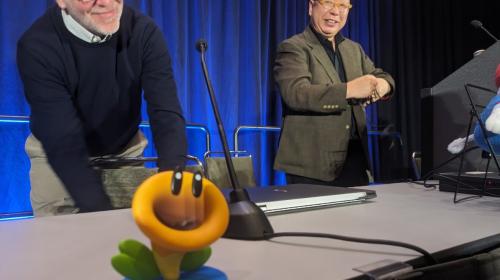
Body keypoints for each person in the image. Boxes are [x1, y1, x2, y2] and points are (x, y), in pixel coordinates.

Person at [17, 0, 187, 216]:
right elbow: (64, 142)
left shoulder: (144, 31)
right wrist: (102, 221)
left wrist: (172, 188)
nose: (106, 3)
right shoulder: (37, 45)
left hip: (124, 149)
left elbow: (166, 113)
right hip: (58, 155)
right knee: (61, 243)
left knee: (133, 235)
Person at [274, 0, 395, 187]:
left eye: (342, 6)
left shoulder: (353, 49)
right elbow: (296, 93)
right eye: (328, 3)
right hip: (311, 166)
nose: (335, 12)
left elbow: (383, 76)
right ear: (310, 6)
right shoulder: (294, 47)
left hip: (354, 160)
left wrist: (382, 85)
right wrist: (350, 89)